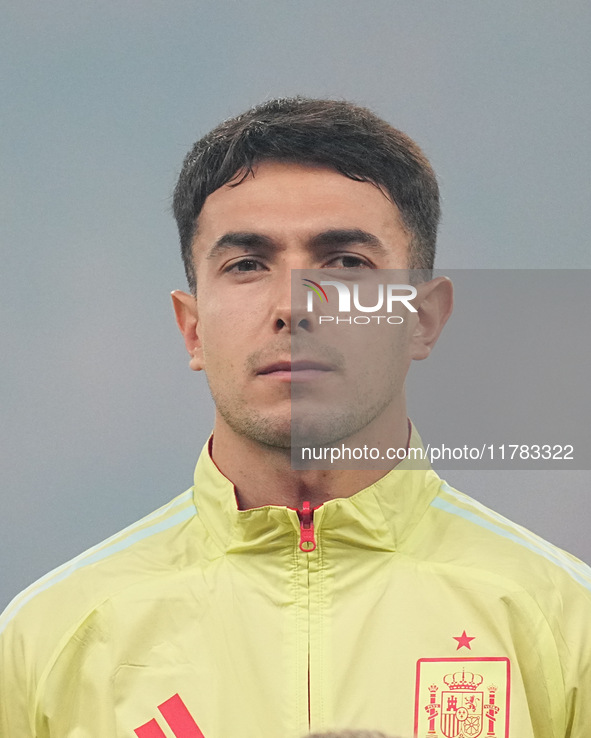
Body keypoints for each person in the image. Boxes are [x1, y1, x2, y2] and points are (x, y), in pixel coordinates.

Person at [1, 97, 590, 738]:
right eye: (247, 264)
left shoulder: (567, 624)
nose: (294, 306)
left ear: (422, 319)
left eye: (345, 263)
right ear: (192, 328)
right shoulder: (44, 640)